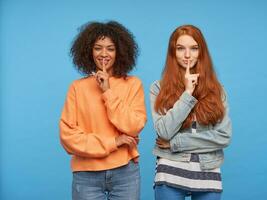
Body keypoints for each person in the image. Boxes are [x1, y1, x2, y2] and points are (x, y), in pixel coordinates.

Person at [59, 21, 147, 200]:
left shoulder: (133, 84)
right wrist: (113, 141)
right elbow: (68, 138)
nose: (104, 54)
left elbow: (133, 126)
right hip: (86, 175)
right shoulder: (77, 88)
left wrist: (107, 91)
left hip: (125, 173)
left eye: (110, 49)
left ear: (120, 52)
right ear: (89, 51)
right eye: (98, 48)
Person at [150, 25, 232, 200]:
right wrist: (187, 94)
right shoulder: (158, 88)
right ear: (173, 53)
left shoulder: (218, 91)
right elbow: (163, 132)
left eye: (194, 48)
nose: (187, 55)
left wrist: (176, 143)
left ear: (201, 52)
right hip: (170, 171)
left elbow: (223, 137)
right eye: (180, 48)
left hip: (207, 171)